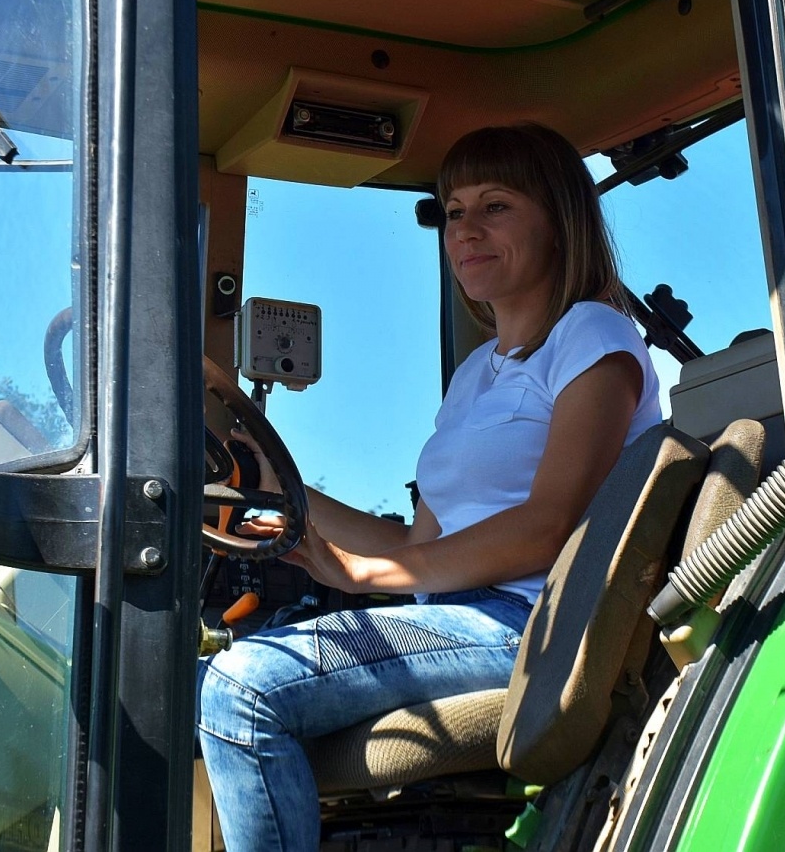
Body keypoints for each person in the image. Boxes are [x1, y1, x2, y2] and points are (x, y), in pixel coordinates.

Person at [197, 122, 663, 852]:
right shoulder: (478, 374)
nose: (467, 230)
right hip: (456, 615)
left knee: (244, 687)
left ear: (557, 223)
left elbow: (548, 525)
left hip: (531, 623)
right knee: (201, 678)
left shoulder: (594, 337)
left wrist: (366, 573)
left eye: (495, 206)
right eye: (454, 211)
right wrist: (277, 486)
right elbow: (417, 544)